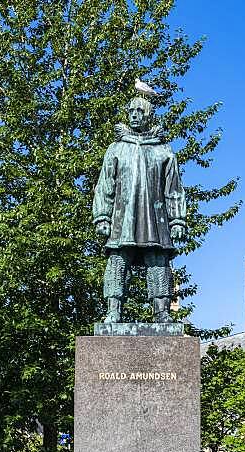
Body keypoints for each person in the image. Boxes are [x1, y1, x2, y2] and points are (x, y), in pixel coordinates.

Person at [92, 90, 187, 323]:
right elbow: (105, 184)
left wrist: (177, 219)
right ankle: (113, 310)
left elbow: (173, 189)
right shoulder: (115, 149)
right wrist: (102, 216)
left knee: (158, 261)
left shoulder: (163, 151)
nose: (134, 115)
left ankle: (162, 312)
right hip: (123, 217)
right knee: (117, 260)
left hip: (155, 218)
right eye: (131, 111)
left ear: (148, 116)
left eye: (140, 111)